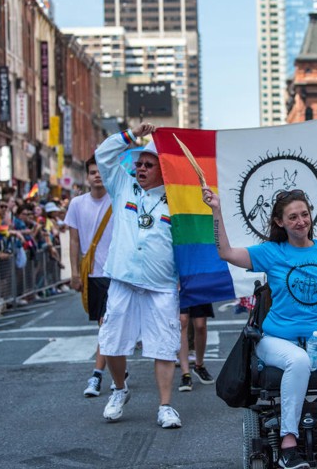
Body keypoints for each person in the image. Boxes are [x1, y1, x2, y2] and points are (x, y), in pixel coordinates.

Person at [203, 186, 317, 469]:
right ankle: (288, 445)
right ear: (280, 222)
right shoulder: (271, 252)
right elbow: (225, 252)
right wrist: (216, 210)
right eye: (293, 217)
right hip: (277, 338)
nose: (301, 221)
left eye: (304, 214)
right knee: (298, 361)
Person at [95, 123, 183, 429]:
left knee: (164, 346)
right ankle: (120, 390)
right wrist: (131, 135)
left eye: (148, 164)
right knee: (111, 343)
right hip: (123, 280)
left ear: (162, 168)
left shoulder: (178, 199)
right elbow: (103, 155)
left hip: (161, 286)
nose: (140, 168)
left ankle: (166, 406)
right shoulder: (123, 186)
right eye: (138, 163)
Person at [65, 155, 116, 398]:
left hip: (116, 273)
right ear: (86, 176)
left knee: (106, 326)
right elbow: (74, 240)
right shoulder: (76, 204)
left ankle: (97, 375)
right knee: (105, 326)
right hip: (92, 274)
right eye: (92, 171)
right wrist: (75, 272)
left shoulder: (117, 200)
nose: (97, 175)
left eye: (101, 171)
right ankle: (119, 370)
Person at [176, 304, 215, 392]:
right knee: (182, 321)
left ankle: (199, 365)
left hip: (199, 290)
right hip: (181, 290)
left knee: (200, 325)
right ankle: (185, 374)